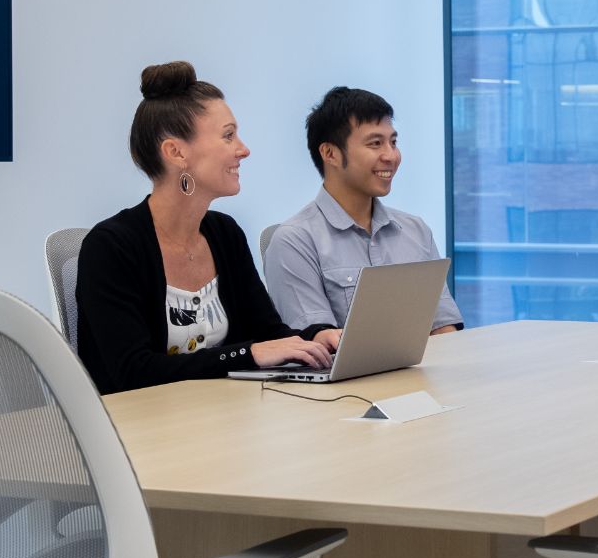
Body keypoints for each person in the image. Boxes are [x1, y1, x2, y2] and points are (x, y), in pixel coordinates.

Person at [76, 62, 341, 394]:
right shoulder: (110, 247)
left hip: (221, 420)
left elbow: (267, 333)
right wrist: (246, 355)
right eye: (228, 135)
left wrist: (317, 336)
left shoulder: (224, 233)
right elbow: (133, 372)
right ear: (176, 152)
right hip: (139, 432)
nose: (243, 149)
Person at [264, 86, 464, 334]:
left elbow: (444, 328)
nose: (391, 156)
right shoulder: (294, 241)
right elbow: (317, 345)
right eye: (375, 143)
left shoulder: (416, 231)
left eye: (393, 142)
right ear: (330, 153)